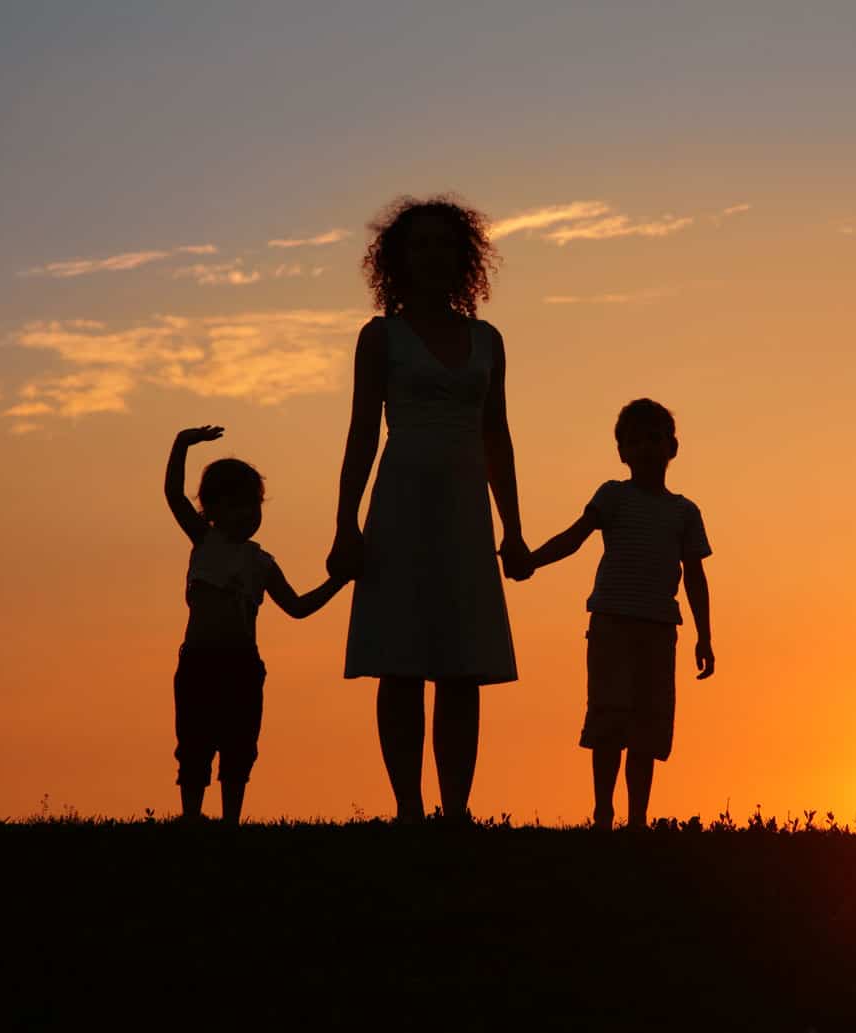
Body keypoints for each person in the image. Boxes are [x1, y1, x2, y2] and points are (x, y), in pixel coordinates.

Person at [326, 196, 527, 824]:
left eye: (445, 245)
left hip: (466, 510)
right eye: (420, 245)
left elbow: (498, 435)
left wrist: (514, 528)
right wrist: (345, 522)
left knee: (463, 665)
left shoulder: (488, 339)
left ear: (463, 258)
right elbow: (362, 430)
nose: (433, 256)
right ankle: (409, 807)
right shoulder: (380, 336)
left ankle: (457, 808)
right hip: (401, 503)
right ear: (398, 260)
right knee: (401, 658)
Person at [510, 399, 714, 830]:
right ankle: (603, 812)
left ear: (672, 447)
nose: (644, 447)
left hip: (660, 631)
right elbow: (574, 537)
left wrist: (705, 637)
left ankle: (637, 817)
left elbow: (695, 577)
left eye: (653, 438)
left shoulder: (684, 512)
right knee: (608, 719)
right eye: (634, 440)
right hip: (611, 625)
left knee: (647, 725)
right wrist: (532, 560)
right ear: (621, 451)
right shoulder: (612, 496)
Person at [166, 425, 345, 824]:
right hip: (198, 663)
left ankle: (231, 820)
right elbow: (173, 496)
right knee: (194, 743)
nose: (247, 515)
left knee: (239, 745)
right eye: (236, 506)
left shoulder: (262, 563)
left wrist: (339, 581)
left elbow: (297, 607)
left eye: (254, 506)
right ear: (211, 510)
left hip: (243, 667)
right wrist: (182, 444)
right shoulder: (204, 541)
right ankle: (191, 816)